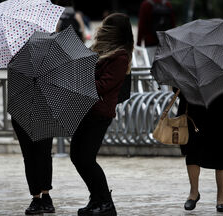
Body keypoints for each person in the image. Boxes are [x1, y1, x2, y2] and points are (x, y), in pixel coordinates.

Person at [70, 13, 134, 216]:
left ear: (114, 30)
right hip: (87, 110)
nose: (101, 28)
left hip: (99, 113)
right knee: (77, 156)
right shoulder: (102, 50)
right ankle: (96, 198)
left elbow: (105, 85)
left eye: (106, 26)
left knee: (86, 158)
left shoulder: (120, 56)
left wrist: (81, 82)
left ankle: (105, 203)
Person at [175, 89, 223, 213]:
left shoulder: (220, 70)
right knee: (193, 153)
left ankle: (221, 200)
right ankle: (193, 194)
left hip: (222, 109)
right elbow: (177, 90)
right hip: (194, 112)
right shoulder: (185, 70)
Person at [11, 119, 56, 215]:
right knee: (29, 158)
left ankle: (46, 195)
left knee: (44, 156)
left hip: (45, 115)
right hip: (21, 115)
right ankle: (36, 198)